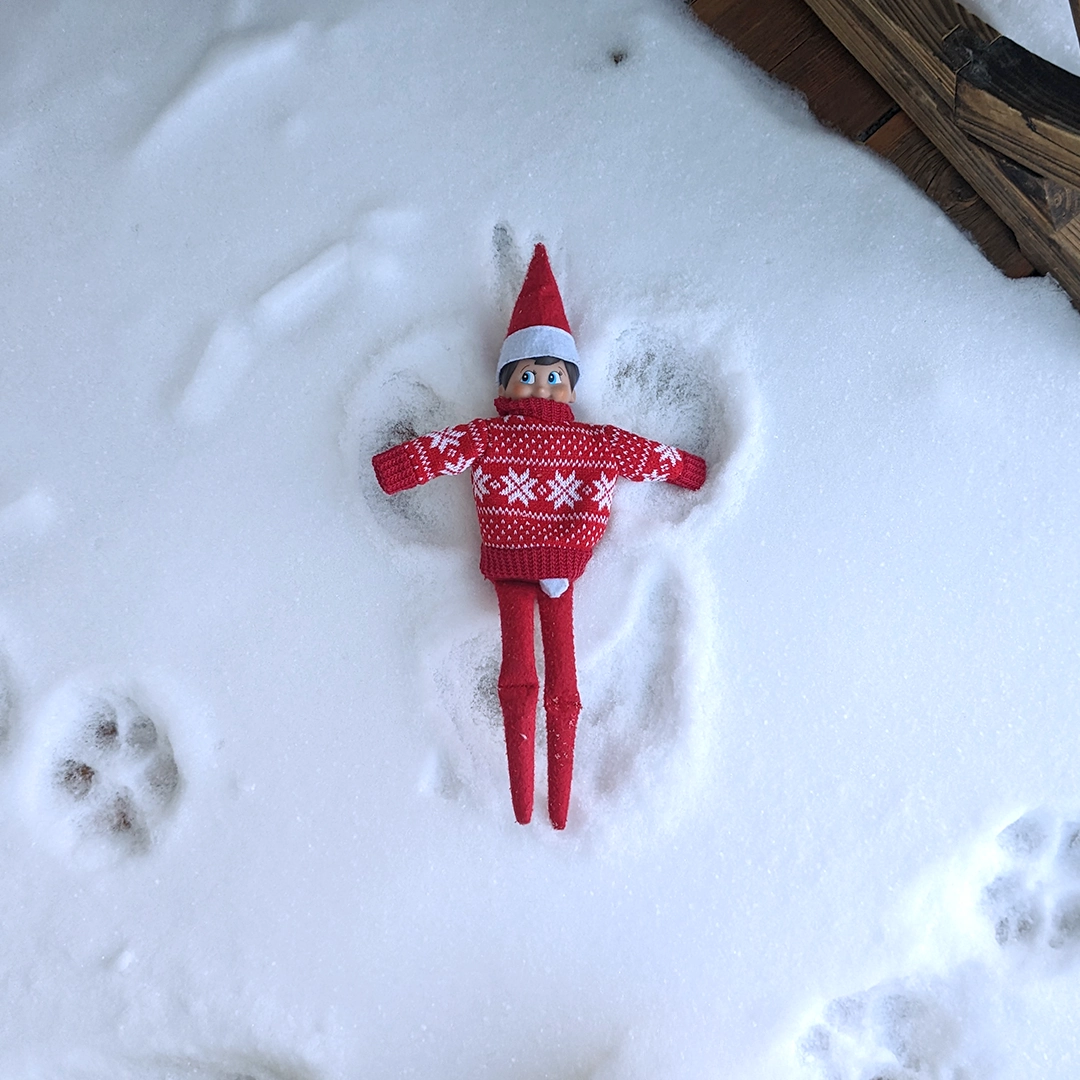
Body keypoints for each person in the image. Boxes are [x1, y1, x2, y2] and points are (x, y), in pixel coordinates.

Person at [372, 244, 706, 829]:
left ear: (571, 386)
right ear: (508, 383)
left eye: (554, 377)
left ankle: (555, 797)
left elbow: (645, 455)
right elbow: (438, 451)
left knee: (561, 679)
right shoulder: (493, 436)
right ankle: (525, 799)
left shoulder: (590, 442)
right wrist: (394, 469)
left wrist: (687, 470)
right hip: (512, 560)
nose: (543, 387)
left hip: (557, 562)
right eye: (528, 376)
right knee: (520, 675)